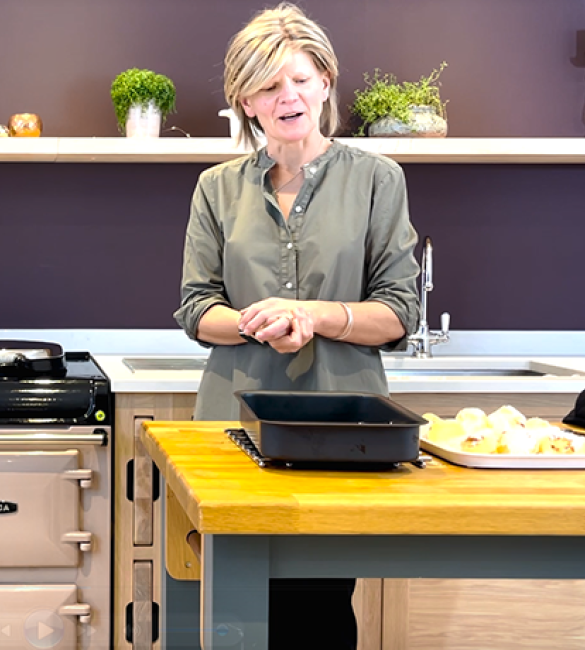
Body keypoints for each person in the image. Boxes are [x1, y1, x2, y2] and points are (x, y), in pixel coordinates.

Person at [172, 3, 421, 649]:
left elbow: (399, 311)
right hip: (232, 425)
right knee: (230, 604)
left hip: (342, 432)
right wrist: (258, 322)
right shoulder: (215, 188)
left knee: (321, 605)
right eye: (268, 85)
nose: (288, 96)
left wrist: (314, 314)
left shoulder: (377, 179)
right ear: (245, 101)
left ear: (326, 83)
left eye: (301, 79)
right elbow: (197, 308)